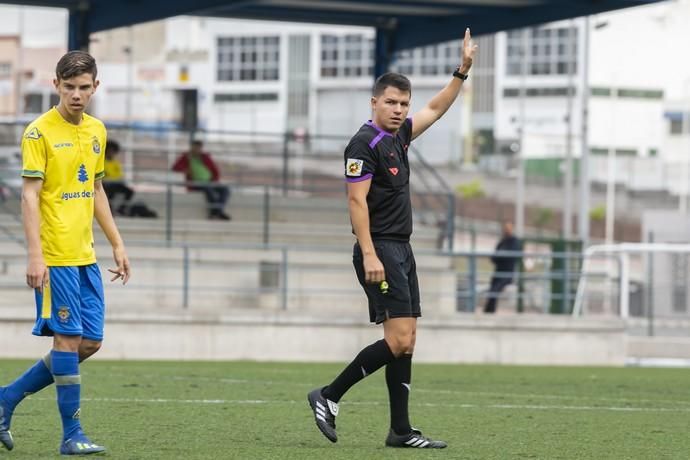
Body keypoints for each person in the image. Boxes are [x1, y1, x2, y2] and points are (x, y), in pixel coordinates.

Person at [307, 29, 477, 450]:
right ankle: (328, 395)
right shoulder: (363, 144)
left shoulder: (399, 137)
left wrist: (462, 72)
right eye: (391, 102)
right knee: (398, 340)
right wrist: (368, 253)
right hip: (379, 247)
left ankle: (400, 431)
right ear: (374, 103)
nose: (400, 110)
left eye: (404, 103)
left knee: (406, 343)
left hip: (402, 248)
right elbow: (356, 203)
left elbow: (436, 107)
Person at [0, 50, 131, 455]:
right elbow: (29, 196)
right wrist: (35, 255)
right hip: (55, 257)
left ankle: (6, 398)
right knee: (68, 340)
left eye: (84, 87)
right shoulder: (38, 132)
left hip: (85, 255)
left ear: (96, 86)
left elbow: (95, 189)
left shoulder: (96, 130)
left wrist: (117, 241)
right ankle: (71, 435)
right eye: (69, 87)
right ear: (56, 85)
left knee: (90, 342)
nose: (77, 95)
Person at [172, 140, 231, 220]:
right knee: (208, 189)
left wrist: (214, 180)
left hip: (210, 182)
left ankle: (216, 211)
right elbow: (175, 168)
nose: (197, 149)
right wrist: (185, 169)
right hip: (195, 183)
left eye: (199, 148)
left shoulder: (205, 157)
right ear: (191, 147)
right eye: (195, 147)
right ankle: (218, 212)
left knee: (225, 189)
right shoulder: (186, 157)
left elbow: (215, 170)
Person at [103, 140, 157, 218]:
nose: (111, 153)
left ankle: (121, 209)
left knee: (129, 191)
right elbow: (105, 175)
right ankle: (109, 210)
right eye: (110, 150)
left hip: (115, 183)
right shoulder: (102, 162)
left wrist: (111, 176)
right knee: (109, 193)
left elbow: (118, 175)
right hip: (106, 184)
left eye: (113, 151)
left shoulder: (115, 163)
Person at [483, 220, 522, 314]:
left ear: (512, 228)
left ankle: (489, 312)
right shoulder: (502, 242)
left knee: (494, 290)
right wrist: (500, 256)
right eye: (505, 228)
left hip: (507, 274)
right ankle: (488, 312)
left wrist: (501, 256)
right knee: (491, 291)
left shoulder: (514, 242)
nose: (506, 230)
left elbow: (511, 257)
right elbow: (494, 257)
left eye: (509, 228)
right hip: (498, 273)